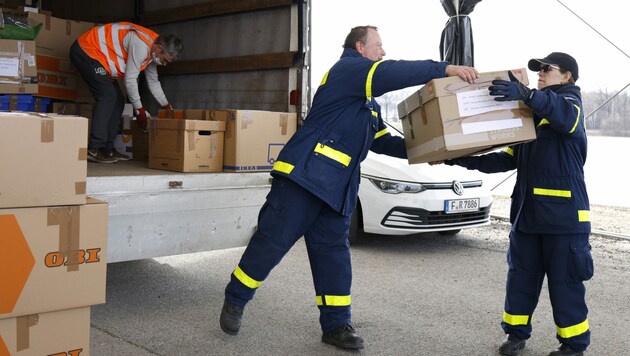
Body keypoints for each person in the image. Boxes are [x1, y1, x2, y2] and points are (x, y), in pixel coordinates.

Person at [219, 25, 479, 350]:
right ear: (360, 46)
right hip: (305, 178)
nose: (382, 52)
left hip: (337, 191)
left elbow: (383, 141)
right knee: (272, 243)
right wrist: (444, 69)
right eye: (379, 46)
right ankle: (236, 298)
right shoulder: (349, 70)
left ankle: (336, 325)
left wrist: (428, 151)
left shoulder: (368, 104)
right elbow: (390, 72)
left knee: (334, 259)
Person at [434, 52, 592, 356]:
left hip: (564, 220)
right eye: (539, 70)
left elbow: (564, 117)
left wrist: (527, 94)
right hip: (527, 216)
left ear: (568, 77)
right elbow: (503, 160)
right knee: (521, 279)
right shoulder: (528, 118)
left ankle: (573, 345)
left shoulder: (571, 108)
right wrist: (457, 156)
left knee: (565, 285)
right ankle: (516, 334)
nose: (541, 73)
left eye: (547, 69)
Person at [70, 22, 183, 163]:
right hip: (86, 51)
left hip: (100, 58)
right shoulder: (141, 45)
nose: (164, 64)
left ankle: (107, 149)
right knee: (108, 96)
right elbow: (130, 80)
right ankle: (94, 148)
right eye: (164, 60)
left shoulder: (153, 53)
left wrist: (167, 107)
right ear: (159, 49)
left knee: (118, 100)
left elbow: (153, 82)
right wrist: (140, 110)